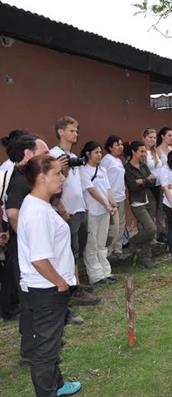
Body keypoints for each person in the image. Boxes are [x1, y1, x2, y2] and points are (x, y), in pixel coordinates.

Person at [18, 154, 82, 397]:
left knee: (52, 341)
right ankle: (48, 394)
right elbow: (39, 259)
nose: (63, 178)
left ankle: (57, 385)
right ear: (41, 178)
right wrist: (60, 283)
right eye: (57, 173)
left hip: (47, 288)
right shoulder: (37, 211)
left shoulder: (41, 205)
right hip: (46, 290)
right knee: (45, 348)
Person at [49, 116, 100, 310]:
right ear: (61, 132)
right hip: (67, 210)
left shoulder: (73, 156)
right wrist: (60, 206)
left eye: (77, 131)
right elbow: (54, 182)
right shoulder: (55, 154)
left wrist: (84, 204)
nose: (75, 134)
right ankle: (72, 289)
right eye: (71, 130)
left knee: (77, 248)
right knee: (70, 250)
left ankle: (76, 282)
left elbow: (77, 184)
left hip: (79, 208)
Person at [1, 135, 49, 322]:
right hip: (22, 243)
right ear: (28, 154)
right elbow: (12, 213)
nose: (48, 157)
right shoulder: (20, 179)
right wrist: (27, 239)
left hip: (21, 242)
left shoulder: (26, 176)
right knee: (30, 292)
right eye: (44, 153)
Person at [79, 141, 117, 287]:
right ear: (88, 154)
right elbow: (92, 191)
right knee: (92, 244)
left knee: (102, 243)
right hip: (92, 211)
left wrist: (112, 204)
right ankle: (95, 276)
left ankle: (106, 272)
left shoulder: (102, 170)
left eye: (101, 152)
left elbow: (108, 190)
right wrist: (107, 205)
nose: (99, 155)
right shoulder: (84, 170)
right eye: (96, 152)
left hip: (105, 211)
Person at [124, 141, 158, 269]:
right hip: (137, 202)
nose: (144, 154)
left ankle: (146, 258)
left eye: (145, 151)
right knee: (151, 229)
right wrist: (146, 180)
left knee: (146, 230)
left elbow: (153, 182)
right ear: (134, 151)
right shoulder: (127, 168)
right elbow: (133, 186)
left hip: (150, 199)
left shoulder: (144, 165)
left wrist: (142, 181)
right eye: (141, 151)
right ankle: (133, 241)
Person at [101, 135, 127, 259]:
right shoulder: (107, 160)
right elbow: (102, 179)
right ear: (110, 147)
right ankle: (108, 253)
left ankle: (118, 250)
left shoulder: (118, 160)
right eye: (117, 144)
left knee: (121, 224)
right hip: (111, 199)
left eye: (121, 144)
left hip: (121, 197)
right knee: (113, 227)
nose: (120, 147)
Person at [143, 128, 166, 243]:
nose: (152, 139)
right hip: (148, 185)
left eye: (154, 137)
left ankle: (160, 233)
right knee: (150, 211)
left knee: (160, 211)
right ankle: (150, 238)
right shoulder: (142, 152)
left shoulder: (155, 151)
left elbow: (161, 168)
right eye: (150, 137)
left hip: (158, 184)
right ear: (144, 138)